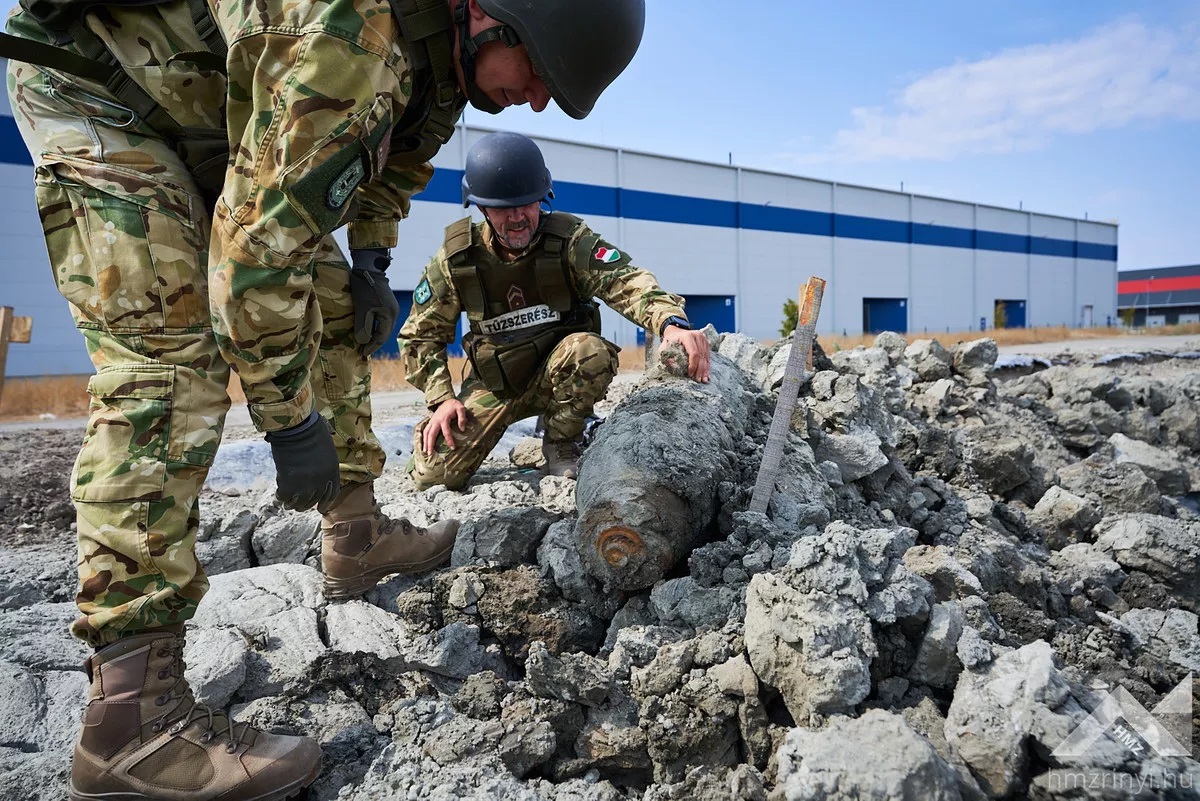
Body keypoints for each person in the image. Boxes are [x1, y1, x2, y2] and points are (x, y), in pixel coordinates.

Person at [2, 0, 645, 796]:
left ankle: (355, 530)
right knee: (168, 366)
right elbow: (249, 264)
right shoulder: (356, 41)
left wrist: (369, 261)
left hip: (209, 119)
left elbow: (394, 163)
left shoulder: (440, 62)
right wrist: (289, 421)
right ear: (492, 15)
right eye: (542, 74)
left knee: (342, 307)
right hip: (105, 97)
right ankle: (130, 722)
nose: (540, 101)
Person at [401, 131, 711, 490]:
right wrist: (441, 399)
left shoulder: (569, 241)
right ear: (482, 208)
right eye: (503, 208)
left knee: (588, 350)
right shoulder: (458, 259)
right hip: (495, 382)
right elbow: (420, 336)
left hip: (562, 372)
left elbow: (625, 282)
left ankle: (561, 442)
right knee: (433, 477)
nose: (518, 217)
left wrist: (670, 323)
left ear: (542, 198)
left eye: (528, 204)